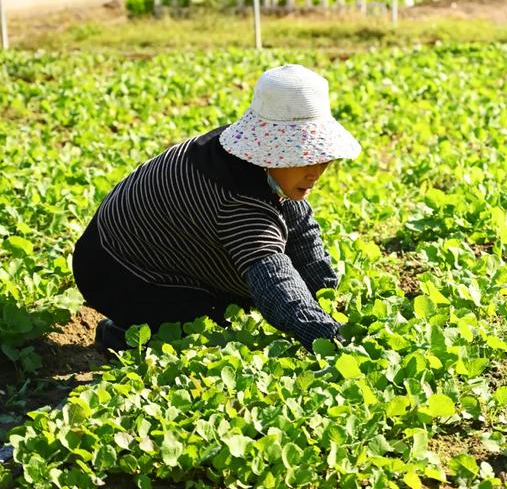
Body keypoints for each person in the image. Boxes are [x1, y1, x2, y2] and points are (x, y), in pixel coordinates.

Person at [72, 64, 361, 354]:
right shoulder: (237, 196)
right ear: (274, 151)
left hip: (149, 252)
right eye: (305, 157)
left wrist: (329, 302)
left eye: (323, 159)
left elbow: (302, 235)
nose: (316, 171)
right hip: (117, 270)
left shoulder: (258, 163)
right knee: (204, 330)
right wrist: (328, 338)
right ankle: (122, 333)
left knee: (238, 299)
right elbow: (274, 281)